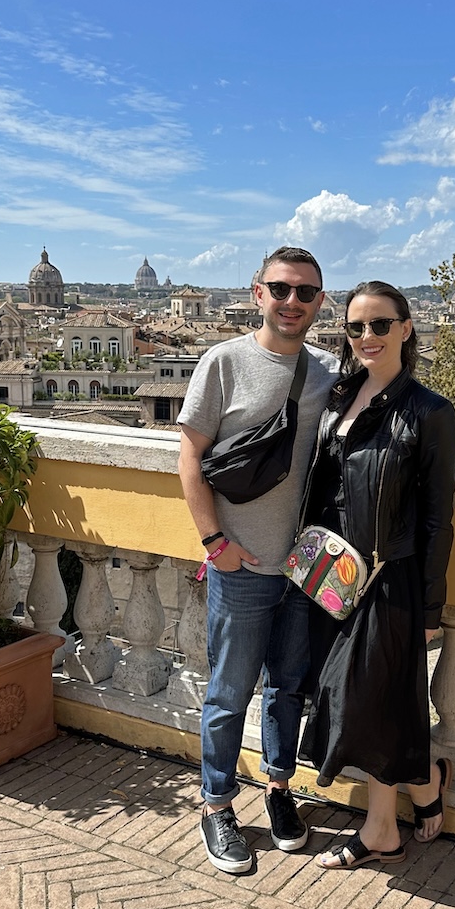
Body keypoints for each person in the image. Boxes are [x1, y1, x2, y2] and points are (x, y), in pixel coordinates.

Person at [178, 247, 339, 874]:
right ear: (257, 293)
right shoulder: (222, 362)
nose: (292, 301)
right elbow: (190, 458)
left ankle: (277, 789)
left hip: (303, 568)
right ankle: (216, 804)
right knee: (229, 693)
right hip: (240, 565)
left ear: (320, 302)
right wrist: (215, 544)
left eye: (305, 292)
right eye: (280, 289)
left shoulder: (328, 372)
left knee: (287, 689)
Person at [298, 280, 455, 869]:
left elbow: (439, 520)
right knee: (367, 697)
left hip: (389, 579)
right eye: (356, 326)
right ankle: (424, 782)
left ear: (406, 328)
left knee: (366, 699)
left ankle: (381, 831)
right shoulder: (339, 396)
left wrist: (431, 608)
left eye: (380, 324)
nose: (367, 336)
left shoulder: (430, 412)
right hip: (333, 574)